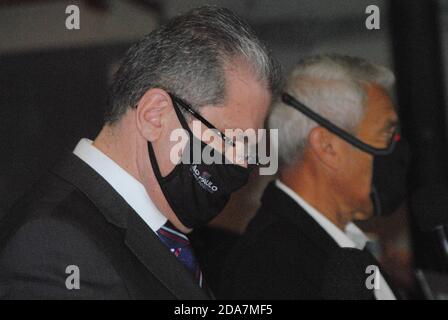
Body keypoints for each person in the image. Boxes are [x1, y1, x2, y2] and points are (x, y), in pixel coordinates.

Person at [0, 6, 279, 299]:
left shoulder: (160, 235)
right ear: (154, 115)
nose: (242, 165)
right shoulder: (54, 246)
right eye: (233, 141)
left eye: (250, 149)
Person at [222, 54, 408, 300]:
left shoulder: (341, 247)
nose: (398, 149)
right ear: (327, 146)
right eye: (386, 135)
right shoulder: (272, 267)